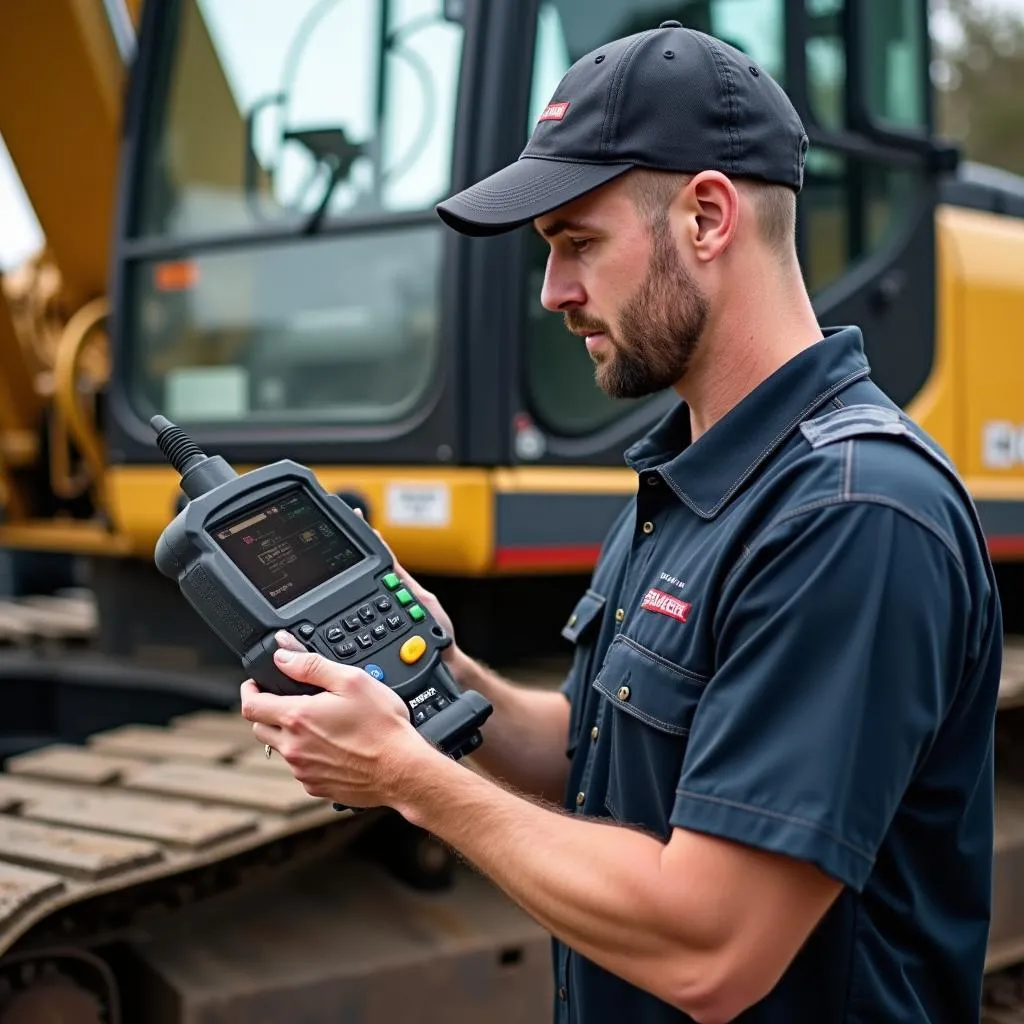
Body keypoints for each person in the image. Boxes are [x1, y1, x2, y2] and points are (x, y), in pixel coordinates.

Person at [241, 21, 1003, 1024]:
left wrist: (408, 775)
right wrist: (441, 675)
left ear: (705, 217)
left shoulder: (851, 515)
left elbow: (712, 945)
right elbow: (609, 756)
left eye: (578, 243)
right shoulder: (694, 477)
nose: (554, 291)